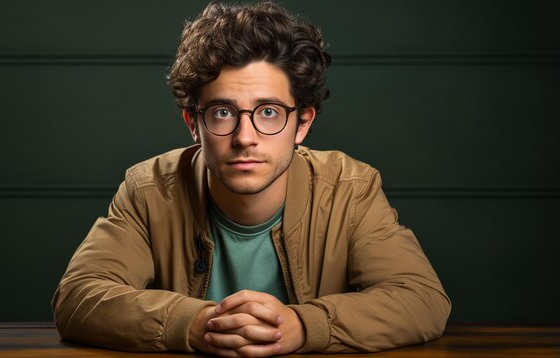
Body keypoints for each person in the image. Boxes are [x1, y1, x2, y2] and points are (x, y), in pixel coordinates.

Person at [52, 1, 451, 356]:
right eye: (223, 112)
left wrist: (300, 327)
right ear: (194, 123)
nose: (245, 137)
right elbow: (78, 297)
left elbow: (422, 300)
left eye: (269, 112)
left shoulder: (351, 188)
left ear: (302, 123)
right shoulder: (148, 190)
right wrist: (197, 325)